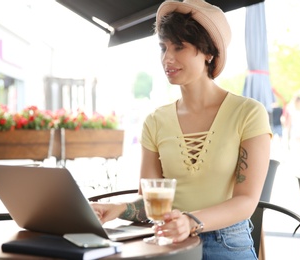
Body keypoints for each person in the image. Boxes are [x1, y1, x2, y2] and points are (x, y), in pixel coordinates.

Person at [91, 0, 272, 259]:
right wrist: (117, 208)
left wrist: (190, 220)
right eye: (163, 47)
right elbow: (149, 202)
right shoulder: (155, 121)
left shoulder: (248, 113)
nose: (167, 58)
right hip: (170, 243)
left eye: (179, 47)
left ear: (209, 52)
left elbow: (246, 201)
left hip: (227, 243)